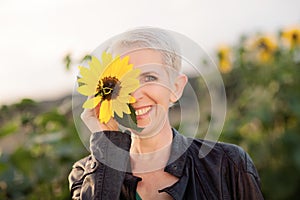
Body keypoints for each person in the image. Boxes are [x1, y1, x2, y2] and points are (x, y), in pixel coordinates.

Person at [68, 27, 264, 200]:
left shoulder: (229, 164)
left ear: (176, 88)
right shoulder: (86, 175)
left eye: (149, 77)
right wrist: (108, 144)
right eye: (123, 81)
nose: (135, 95)